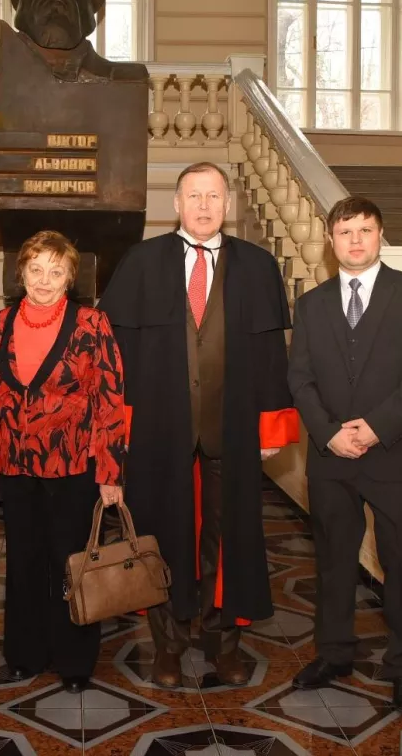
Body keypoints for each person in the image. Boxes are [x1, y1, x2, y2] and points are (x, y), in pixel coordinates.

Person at [99, 161, 299, 689]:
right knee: (161, 536)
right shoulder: (141, 262)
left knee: (228, 539)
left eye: (214, 196)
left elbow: (271, 359)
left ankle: (223, 644)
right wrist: (120, 435)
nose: (205, 205)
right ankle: (167, 645)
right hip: (158, 431)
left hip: (231, 430)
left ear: (227, 204)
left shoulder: (257, 266)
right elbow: (118, 358)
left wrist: (269, 431)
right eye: (195, 195)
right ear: (177, 204)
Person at [287, 196, 402, 712]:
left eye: (365, 230)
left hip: (394, 452)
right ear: (330, 241)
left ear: (381, 235)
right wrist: (330, 433)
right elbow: (300, 378)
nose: (355, 240)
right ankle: (334, 654)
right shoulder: (311, 304)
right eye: (345, 231)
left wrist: (375, 427)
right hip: (330, 455)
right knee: (332, 561)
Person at [0, 230, 127, 693]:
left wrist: (111, 472)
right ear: (20, 272)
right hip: (16, 468)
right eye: (36, 269)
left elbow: (110, 400)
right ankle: (24, 656)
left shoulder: (91, 325)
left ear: (70, 278)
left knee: (71, 563)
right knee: (22, 564)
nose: (44, 280)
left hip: (75, 469)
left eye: (55, 271)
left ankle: (75, 661)